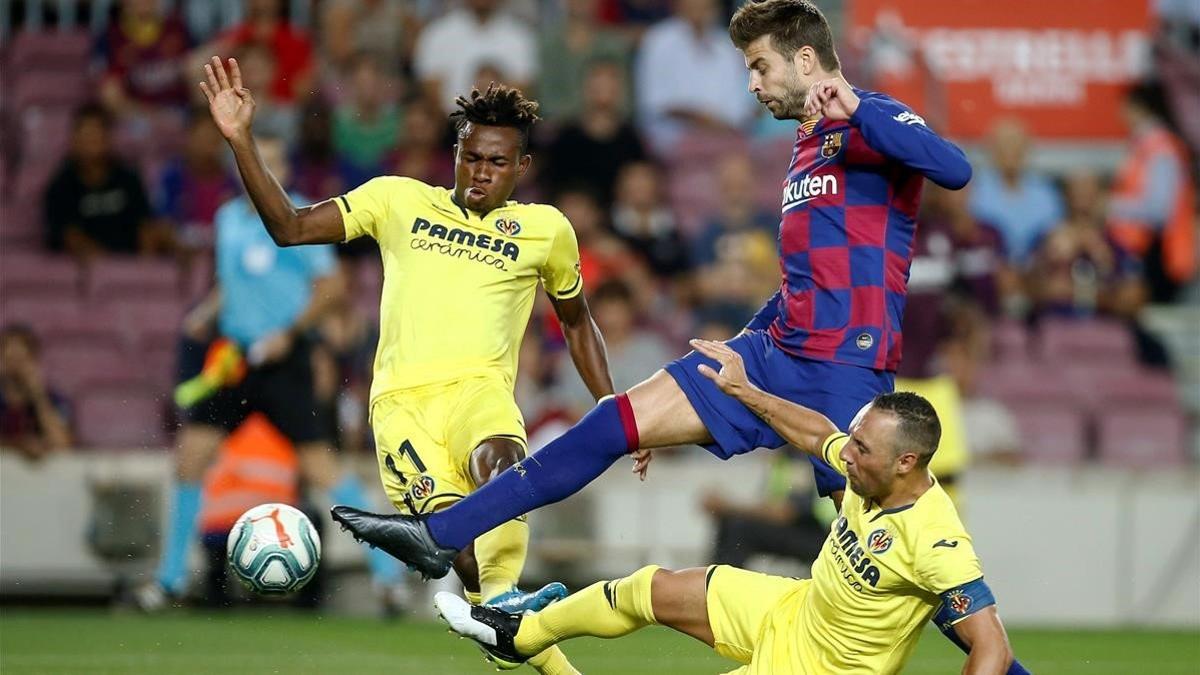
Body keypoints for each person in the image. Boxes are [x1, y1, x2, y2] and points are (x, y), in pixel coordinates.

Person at [331, 3, 1034, 672]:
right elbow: (804, 277)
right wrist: (746, 344)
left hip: (845, 376)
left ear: (808, 59)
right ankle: (440, 535)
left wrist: (864, 113)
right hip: (775, 351)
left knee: (892, 548)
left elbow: (954, 167)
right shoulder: (807, 143)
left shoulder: (868, 117)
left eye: (760, 67)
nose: (752, 85)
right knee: (615, 421)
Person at [196, 56, 614, 675]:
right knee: (463, 551)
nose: (482, 173)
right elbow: (288, 227)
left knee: (501, 464)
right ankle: (498, 613)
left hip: (481, 392)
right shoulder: (397, 201)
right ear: (455, 152)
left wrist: (614, 408)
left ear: (523, 167)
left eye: (499, 162)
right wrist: (242, 139)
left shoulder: (545, 230)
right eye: (472, 157)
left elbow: (576, 320)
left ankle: (497, 605)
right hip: (402, 406)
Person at [435, 372, 1015, 674]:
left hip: (817, 669)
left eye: (862, 450)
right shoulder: (867, 465)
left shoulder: (939, 540)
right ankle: (518, 637)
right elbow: (815, 432)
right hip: (793, 610)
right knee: (648, 589)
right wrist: (745, 392)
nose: (848, 456)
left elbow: (990, 646)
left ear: (907, 463)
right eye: (854, 441)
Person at [135, 134, 404, 612]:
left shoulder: (300, 214)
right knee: (190, 459)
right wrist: (207, 311)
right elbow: (233, 283)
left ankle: (388, 578)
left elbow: (330, 287)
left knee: (321, 468)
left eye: (275, 161)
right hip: (236, 358)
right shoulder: (227, 219)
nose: (267, 171)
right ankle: (170, 581)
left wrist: (290, 332)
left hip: (287, 360)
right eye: (257, 163)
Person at [43, 104, 173, 258]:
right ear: (74, 140)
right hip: (85, 269)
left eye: (98, 133)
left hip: (131, 264)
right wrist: (107, 269)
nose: (93, 140)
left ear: (108, 137)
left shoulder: (128, 178)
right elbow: (68, 236)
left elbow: (144, 226)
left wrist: (142, 267)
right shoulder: (60, 186)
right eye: (87, 135)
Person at [0, 325, 73, 460]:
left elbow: (63, 445)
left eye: (21, 360)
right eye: (9, 359)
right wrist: (20, 447)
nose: (15, 368)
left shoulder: (54, 399)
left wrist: (39, 397)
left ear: (34, 360)